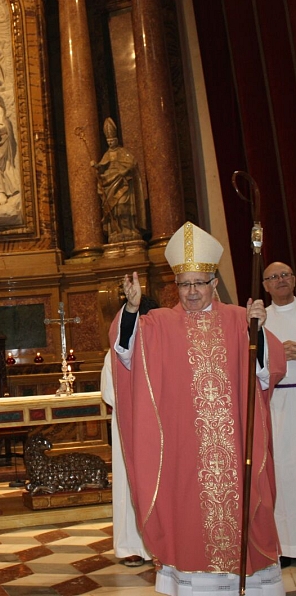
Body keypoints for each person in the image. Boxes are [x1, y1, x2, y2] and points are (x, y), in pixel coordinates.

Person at [110, 221, 287, 595]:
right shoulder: (158, 323)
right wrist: (131, 308)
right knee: (190, 520)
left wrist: (258, 332)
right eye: (184, 284)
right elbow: (126, 353)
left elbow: (266, 371)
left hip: (237, 448)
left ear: (214, 284)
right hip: (185, 453)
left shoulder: (241, 319)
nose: (191, 292)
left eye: (199, 284)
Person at [100, 296, 158, 568]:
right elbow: (110, 394)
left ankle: (160, 544)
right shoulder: (115, 350)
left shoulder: (162, 347)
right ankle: (130, 545)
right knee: (129, 485)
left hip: (160, 428)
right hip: (129, 425)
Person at [262, 261, 296, 569]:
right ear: (265, 285)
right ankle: (285, 545)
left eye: (285, 275)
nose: (280, 280)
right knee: (282, 475)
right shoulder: (262, 320)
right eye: (273, 277)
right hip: (275, 403)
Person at [95, 117, 146, 243]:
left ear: (116, 139)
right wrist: (97, 166)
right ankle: (116, 231)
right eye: (109, 140)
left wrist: (124, 170)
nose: (111, 142)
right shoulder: (107, 154)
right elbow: (102, 165)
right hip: (110, 183)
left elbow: (132, 163)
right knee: (114, 209)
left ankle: (129, 229)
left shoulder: (123, 152)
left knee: (124, 206)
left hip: (122, 183)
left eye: (112, 140)